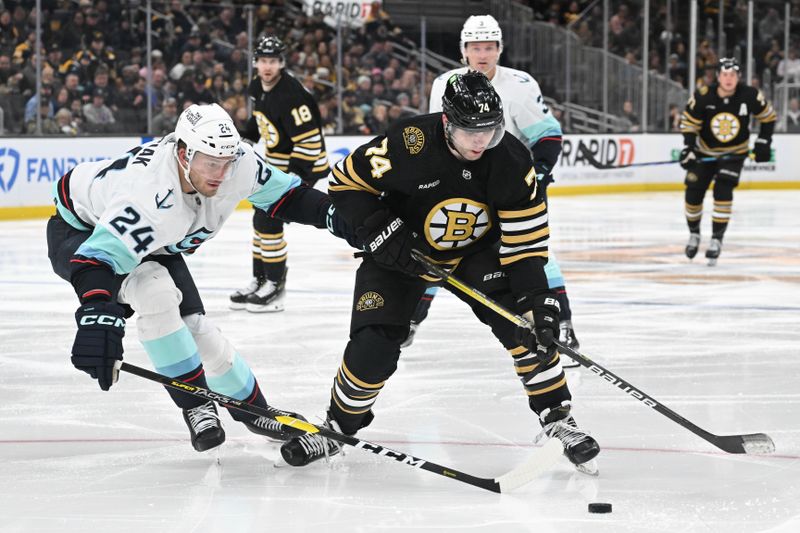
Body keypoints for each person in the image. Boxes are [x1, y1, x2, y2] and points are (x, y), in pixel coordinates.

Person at [279, 72, 600, 473]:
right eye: (470, 131)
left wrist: (538, 301)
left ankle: (558, 419)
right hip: (403, 251)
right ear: (447, 122)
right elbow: (345, 182)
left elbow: (526, 246)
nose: (481, 141)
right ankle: (337, 428)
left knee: (526, 327)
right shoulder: (408, 142)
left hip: (476, 254)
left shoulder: (514, 162)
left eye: (489, 130)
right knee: (373, 346)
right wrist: (380, 229)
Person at [46, 103, 347, 453]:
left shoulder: (237, 163)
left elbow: (289, 196)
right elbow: (96, 260)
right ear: (184, 153)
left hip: (153, 239)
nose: (221, 173)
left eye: (226, 162)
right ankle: (195, 404)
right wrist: (98, 313)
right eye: (211, 164)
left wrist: (338, 217)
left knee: (195, 327)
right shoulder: (148, 197)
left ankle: (253, 410)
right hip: (81, 231)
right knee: (155, 292)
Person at [407, 15, 581, 366]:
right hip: (461, 186)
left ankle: (561, 325)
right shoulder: (444, 83)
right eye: (475, 47)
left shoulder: (519, 83)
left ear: (499, 49)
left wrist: (541, 171)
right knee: (437, 246)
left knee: (533, 253)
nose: (482, 54)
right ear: (463, 50)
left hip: (510, 186)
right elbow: (435, 138)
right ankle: (407, 321)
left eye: (488, 47)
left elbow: (547, 134)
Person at [230, 35, 330, 313]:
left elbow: (309, 143)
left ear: (282, 63)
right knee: (260, 219)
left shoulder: (292, 95)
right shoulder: (258, 87)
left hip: (302, 166)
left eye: (273, 61)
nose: (267, 66)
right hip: (276, 165)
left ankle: (274, 286)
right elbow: (260, 118)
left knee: (269, 219)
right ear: (256, 62)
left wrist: (292, 181)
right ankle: (261, 279)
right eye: (263, 60)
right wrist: (247, 138)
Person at [679, 58, 776, 265]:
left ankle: (716, 239)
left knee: (723, 190)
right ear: (718, 77)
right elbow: (689, 123)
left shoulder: (749, 95)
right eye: (725, 75)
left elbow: (768, 117)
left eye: (732, 75)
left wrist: (763, 142)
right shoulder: (704, 96)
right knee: (693, 192)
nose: (729, 79)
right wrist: (688, 147)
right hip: (705, 153)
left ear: (738, 77)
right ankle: (694, 234)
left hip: (734, 155)